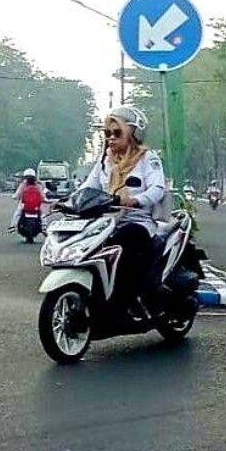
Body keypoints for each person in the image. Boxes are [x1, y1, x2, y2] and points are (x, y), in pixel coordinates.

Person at [76, 106, 167, 316]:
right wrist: (69, 201)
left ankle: (129, 299)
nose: (111, 138)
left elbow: (157, 188)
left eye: (117, 133)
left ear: (133, 133)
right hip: (106, 222)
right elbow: (88, 187)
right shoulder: (105, 161)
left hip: (138, 222)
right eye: (107, 133)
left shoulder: (147, 158)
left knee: (126, 241)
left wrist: (136, 200)